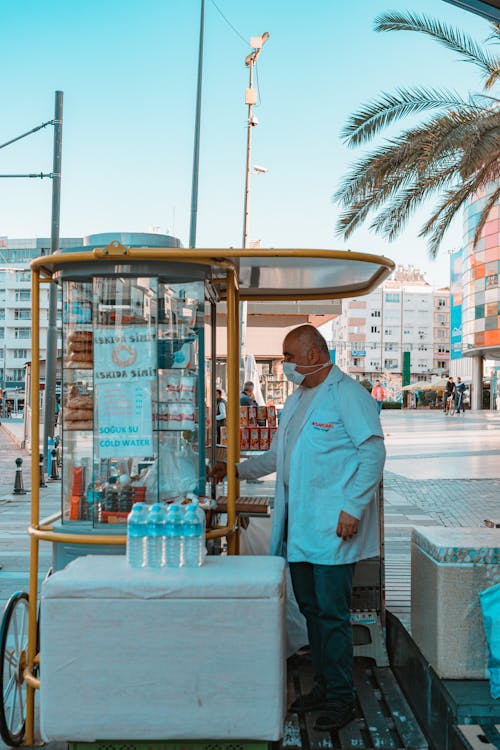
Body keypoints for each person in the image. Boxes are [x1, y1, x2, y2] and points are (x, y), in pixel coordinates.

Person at [210, 324, 385, 731]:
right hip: (300, 528)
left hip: (334, 528)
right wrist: (234, 470)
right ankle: (324, 686)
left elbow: (373, 452)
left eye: (288, 356)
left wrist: (353, 508)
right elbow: (276, 457)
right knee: (311, 611)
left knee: (331, 615)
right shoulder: (298, 399)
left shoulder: (348, 395)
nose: (284, 364)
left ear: (312, 354)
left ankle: (343, 699)